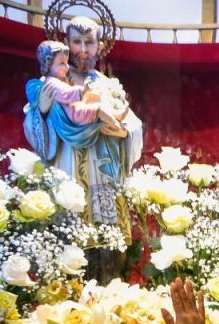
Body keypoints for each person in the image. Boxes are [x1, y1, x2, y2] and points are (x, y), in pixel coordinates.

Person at [24, 16, 143, 226]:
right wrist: (41, 113)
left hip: (103, 168)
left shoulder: (107, 84)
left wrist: (123, 132)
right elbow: (32, 126)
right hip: (66, 163)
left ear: (100, 46)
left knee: (106, 238)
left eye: (89, 42)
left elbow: (132, 124)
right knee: (69, 228)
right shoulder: (52, 83)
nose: (83, 49)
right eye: (76, 42)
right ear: (66, 43)